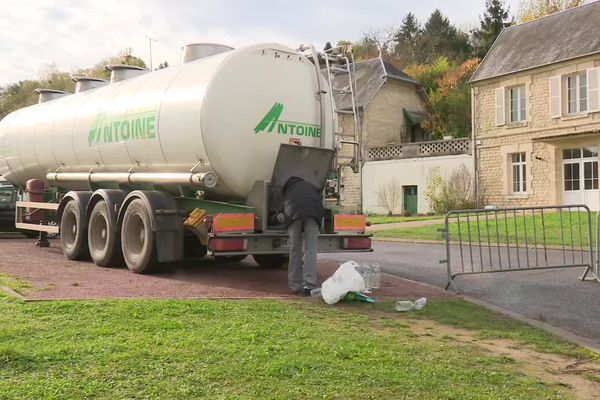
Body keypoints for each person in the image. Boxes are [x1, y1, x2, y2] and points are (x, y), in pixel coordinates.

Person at [282, 176, 324, 296]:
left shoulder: (289, 190)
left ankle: (295, 286)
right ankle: (309, 285)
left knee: (295, 249)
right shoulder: (310, 186)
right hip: (313, 214)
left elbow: (285, 207)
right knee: (310, 250)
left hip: (294, 214)